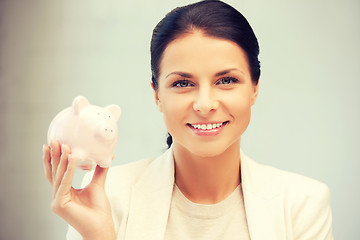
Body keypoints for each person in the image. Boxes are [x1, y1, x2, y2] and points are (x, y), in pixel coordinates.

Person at [42, 1, 333, 239]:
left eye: (227, 80)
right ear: (156, 94)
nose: (204, 104)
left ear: (255, 88)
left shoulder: (303, 203)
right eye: (182, 83)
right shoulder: (109, 196)